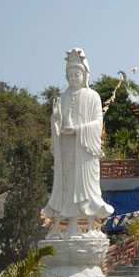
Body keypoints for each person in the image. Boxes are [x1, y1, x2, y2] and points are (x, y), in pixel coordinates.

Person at [42, 48, 113, 239]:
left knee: (83, 186)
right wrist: (56, 119)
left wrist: (79, 130)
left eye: (77, 74)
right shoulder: (63, 97)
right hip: (67, 149)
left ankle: (85, 224)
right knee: (67, 184)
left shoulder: (93, 96)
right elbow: (57, 124)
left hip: (84, 151)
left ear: (84, 75)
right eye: (71, 74)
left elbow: (98, 123)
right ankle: (63, 224)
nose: (74, 77)